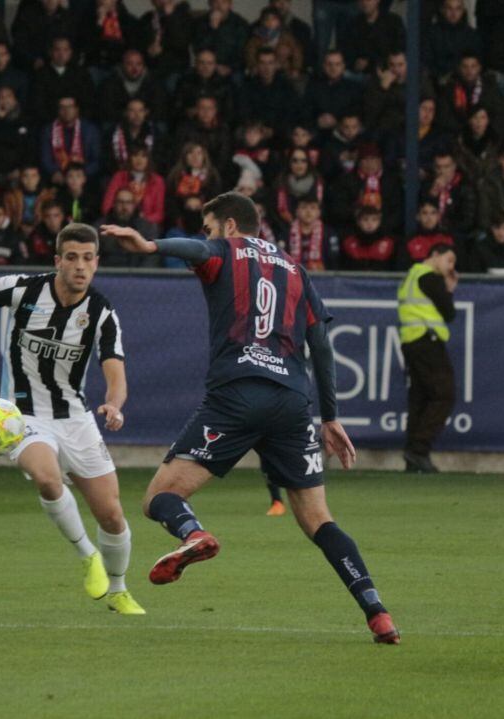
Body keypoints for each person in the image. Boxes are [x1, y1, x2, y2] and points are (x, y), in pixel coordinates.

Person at [99, 192, 399, 644]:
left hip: (237, 395)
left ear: (231, 226)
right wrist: (330, 415)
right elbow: (321, 345)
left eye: (210, 226)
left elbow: (199, 250)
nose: (207, 236)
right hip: (293, 402)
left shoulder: (225, 249)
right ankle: (377, 611)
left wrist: (150, 246)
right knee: (319, 519)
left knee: (159, 497)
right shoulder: (297, 270)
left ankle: (194, 533)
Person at [0, 223, 145, 615]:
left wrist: (115, 405)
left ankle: (118, 590)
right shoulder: (25, 289)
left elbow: (116, 375)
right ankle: (88, 558)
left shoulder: (102, 314)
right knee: (47, 478)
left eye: (88, 258)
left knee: (112, 514)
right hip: (22, 416)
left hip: (75, 416)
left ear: (97, 263)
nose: (80, 266)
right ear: (57, 261)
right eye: (71, 257)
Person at [397, 243, 458, 474]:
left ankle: (412, 457)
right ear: (435, 255)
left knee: (420, 398)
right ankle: (418, 450)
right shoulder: (431, 279)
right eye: (449, 260)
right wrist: (449, 290)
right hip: (427, 340)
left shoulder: (410, 276)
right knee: (445, 394)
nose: (451, 267)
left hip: (410, 342)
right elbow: (449, 313)